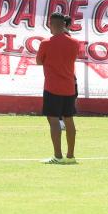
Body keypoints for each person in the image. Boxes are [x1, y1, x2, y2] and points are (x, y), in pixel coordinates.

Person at [36, 13, 79, 164]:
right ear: (64, 25)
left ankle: (57, 156)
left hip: (52, 87)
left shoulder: (46, 43)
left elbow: (38, 61)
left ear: (51, 24)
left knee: (53, 120)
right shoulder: (75, 42)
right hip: (69, 87)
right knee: (69, 120)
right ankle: (71, 156)